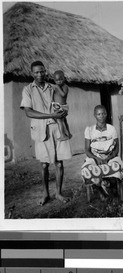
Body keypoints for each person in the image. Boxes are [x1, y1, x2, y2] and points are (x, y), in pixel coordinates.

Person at [20, 61, 72, 205]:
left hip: (56, 128)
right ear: (32, 73)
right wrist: (50, 116)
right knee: (44, 165)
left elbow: (61, 102)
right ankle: (45, 194)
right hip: (40, 130)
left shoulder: (53, 87)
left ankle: (59, 193)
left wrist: (63, 111)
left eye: (42, 71)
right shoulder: (27, 89)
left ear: (45, 71)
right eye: (36, 72)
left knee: (59, 164)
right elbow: (28, 112)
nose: (40, 74)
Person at [81, 105, 123, 197]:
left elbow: (116, 148)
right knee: (86, 169)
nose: (101, 116)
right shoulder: (89, 130)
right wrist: (96, 158)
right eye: (98, 114)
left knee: (117, 167)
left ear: (106, 114)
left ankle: (108, 184)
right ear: (94, 115)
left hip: (110, 156)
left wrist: (109, 157)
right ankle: (100, 186)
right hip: (94, 157)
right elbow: (87, 150)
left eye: (103, 113)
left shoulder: (111, 129)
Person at [52, 70, 72, 141]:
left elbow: (63, 95)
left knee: (59, 121)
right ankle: (68, 133)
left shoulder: (65, 86)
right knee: (64, 120)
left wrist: (57, 87)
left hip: (62, 106)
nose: (59, 81)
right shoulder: (56, 87)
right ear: (54, 80)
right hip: (58, 106)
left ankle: (63, 135)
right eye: (57, 80)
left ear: (64, 78)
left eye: (61, 79)